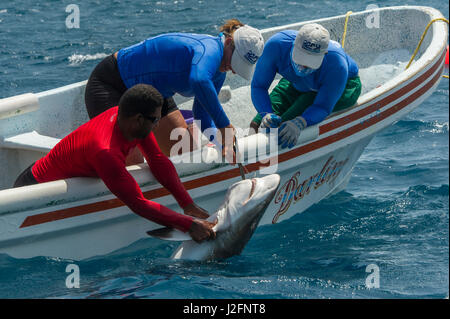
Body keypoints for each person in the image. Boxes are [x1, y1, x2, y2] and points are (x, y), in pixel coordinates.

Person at [14, 84, 216, 243]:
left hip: (50, 183)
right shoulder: (105, 151)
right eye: (155, 120)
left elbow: (157, 159)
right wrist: (189, 226)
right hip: (34, 191)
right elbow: (138, 203)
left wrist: (187, 204)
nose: (157, 124)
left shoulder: (128, 121)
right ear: (138, 119)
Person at [85, 19, 264, 163]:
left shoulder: (220, 71)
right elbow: (199, 80)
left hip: (153, 93)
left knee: (186, 155)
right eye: (235, 62)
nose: (233, 69)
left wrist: (220, 143)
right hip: (112, 85)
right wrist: (225, 126)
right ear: (229, 43)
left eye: (239, 67)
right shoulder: (208, 50)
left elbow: (201, 114)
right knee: (134, 163)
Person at [250, 23, 361, 148]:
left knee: (284, 128)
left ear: (323, 55)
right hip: (298, 81)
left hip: (343, 85)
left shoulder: (337, 64)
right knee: (257, 123)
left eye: (309, 63)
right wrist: (266, 114)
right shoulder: (276, 45)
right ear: (293, 46)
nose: (302, 67)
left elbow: (323, 107)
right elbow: (258, 86)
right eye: (300, 59)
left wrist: (301, 122)